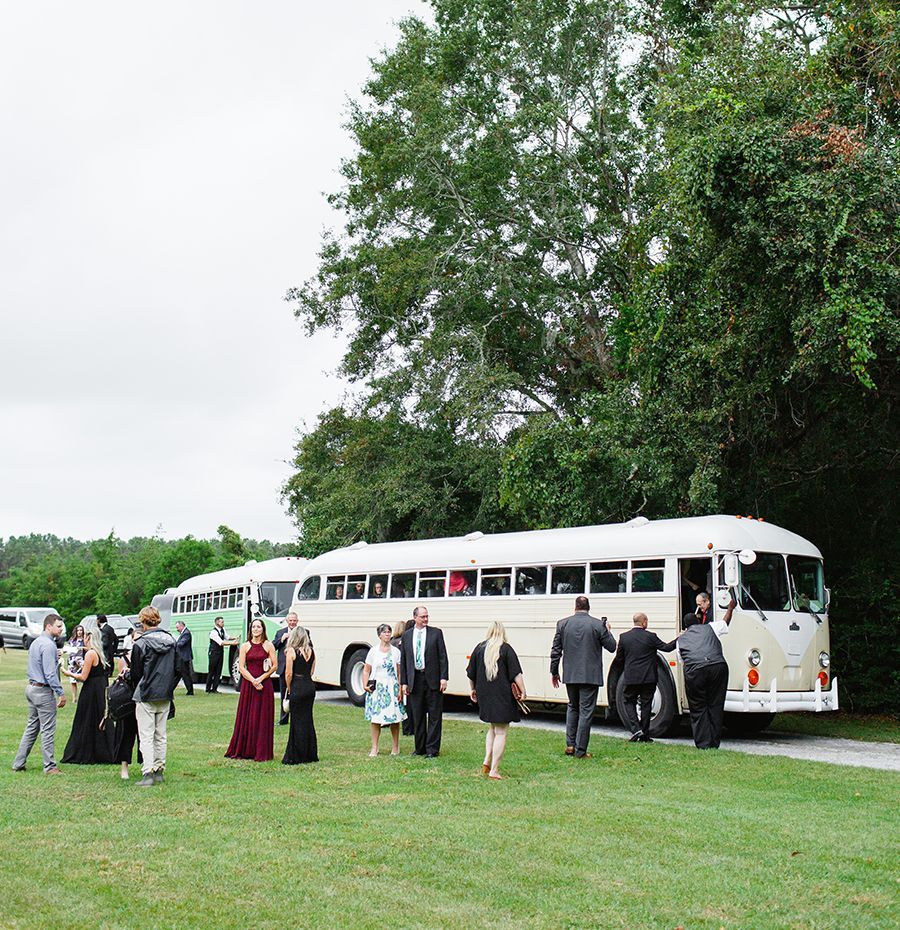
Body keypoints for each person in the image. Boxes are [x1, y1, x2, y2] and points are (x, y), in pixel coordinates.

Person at [550, 596, 617, 758]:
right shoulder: (597, 625)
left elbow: (555, 650)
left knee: (573, 707)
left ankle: (570, 745)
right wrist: (608, 630)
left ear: (575, 607)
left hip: (570, 674)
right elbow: (612, 647)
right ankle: (580, 750)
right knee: (586, 712)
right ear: (589, 607)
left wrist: (554, 671)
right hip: (590, 675)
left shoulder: (563, 624)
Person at [467, 621, 526, 780]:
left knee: (492, 728)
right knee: (501, 732)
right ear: (502, 632)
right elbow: (516, 674)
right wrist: (523, 691)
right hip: (502, 695)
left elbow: (470, 673)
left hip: (485, 694)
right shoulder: (506, 649)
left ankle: (487, 761)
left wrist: (473, 689)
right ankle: (494, 770)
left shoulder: (479, 648)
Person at [678, 596, 737, 749]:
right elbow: (726, 622)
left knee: (698, 708)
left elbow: (683, 661)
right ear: (698, 621)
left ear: (685, 626)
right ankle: (714, 743)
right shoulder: (711, 627)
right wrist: (730, 608)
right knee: (715, 705)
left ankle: (703, 743)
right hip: (718, 666)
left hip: (695, 671)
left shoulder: (681, 640)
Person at [129, 605, 177, 787]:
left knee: (146, 735)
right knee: (161, 734)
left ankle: (148, 772)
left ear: (143, 621)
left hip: (146, 693)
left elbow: (135, 672)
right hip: (165, 693)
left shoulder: (141, 643)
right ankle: (159, 770)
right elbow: (179, 668)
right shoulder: (171, 641)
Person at [12, 613, 67, 774]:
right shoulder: (49, 645)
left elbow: (39, 662)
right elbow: (50, 673)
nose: (61, 629)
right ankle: (49, 766)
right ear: (48, 626)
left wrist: (54, 657)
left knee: (31, 728)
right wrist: (60, 693)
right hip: (43, 691)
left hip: (31, 688)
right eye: (58, 626)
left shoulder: (37, 642)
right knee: (48, 729)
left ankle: (18, 763)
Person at [616, 612, 677, 742]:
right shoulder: (651, 637)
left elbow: (619, 659)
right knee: (646, 705)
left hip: (631, 677)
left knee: (628, 701)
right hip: (649, 677)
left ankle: (636, 728)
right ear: (644, 622)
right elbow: (667, 648)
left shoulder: (624, 637)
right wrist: (680, 638)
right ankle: (645, 734)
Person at [399, 606, 449, 757]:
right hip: (415, 679)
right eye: (423, 617)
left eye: (427, 616)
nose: (426, 619)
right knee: (418, 715)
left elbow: (443, 656)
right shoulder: (407, 636)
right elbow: (405, 660)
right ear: (415, 618)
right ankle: (420, 748)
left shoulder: (436, 633)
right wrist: (404, 682)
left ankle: (432, 749)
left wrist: (443, 677)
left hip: (433, 679)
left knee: (434, 715)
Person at [61, 628, 115, 764]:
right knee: (100, 718)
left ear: (89, 638)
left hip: (90, 691)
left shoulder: (90, 653)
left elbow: (83, 677)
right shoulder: (98, 653)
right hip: (100, 689)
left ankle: (84, 751)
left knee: (85, 719)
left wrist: (68, 673)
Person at [225, 618, 276, 761]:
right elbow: (241, 667)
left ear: (263, 629)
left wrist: (261, 678)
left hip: (264, 685)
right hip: (249, 684)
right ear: (250, 629)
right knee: (248, 717)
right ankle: (245, 749)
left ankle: (261, 751)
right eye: (254, 627)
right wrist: (253, 680)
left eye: (258, 627)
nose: (256, 629)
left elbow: (274, 666)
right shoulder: (245, 646)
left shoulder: (269, 645)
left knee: (262, 717)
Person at [363, 624, 406, 756]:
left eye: (389, 632)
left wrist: (399, 688)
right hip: (377, 686)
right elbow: (366, 670)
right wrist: (365, 684)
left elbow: (399, 672)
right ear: (379, 635)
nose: (387, 634)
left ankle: (395, 746)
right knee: (376, 718)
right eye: (385, 632)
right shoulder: (373, 651)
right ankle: (374, 747)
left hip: (391, 685)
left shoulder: (396, 652)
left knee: (394, 718)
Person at [282, 625, 318, 764]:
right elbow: (312, 671)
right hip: (309, 686)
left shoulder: (291, 651)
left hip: (297, 685)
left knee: (296, 721)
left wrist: (289, 687)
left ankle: (296, 755)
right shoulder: (311, 651)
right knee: (308, 719)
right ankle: (310, 753)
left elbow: (289, 673)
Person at [114, 624, 142, 780]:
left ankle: (146, 763)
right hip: (127, 699)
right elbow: (120, 679)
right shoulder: (124, 658)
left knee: (144, 733)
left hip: (142, 698)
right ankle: (124, 766)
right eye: (135, 639)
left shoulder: (146, 655)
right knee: (126, 733)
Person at [272, 611, 300, 725]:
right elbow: (273, 646)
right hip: (284, 668)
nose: (292, 622)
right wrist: (282, 639)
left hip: (298, 668)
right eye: (290, 620)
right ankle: (283, 719)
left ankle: (296, 719)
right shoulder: (280, 632)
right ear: (287, 621)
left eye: (294, 620)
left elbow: (309, 646)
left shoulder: (303, 632)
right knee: (284, 693)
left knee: (297, 694)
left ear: (297, 621)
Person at [206, 616, 238, 693]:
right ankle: (208, 688)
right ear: (217, 622)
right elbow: (221, 642)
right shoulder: (213, 632)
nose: (223, 623)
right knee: (212, 671)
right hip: (214, 653)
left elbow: (227, 637)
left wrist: (235, 638)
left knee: (218, 671)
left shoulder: (222, 630)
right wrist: (232, 643)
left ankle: (215, 689)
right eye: (222, 622)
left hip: (220, 653)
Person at [64, 624, 86, 704]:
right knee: (73, 680)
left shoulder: (84, 640)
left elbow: (89, 648)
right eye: (78, 630)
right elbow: (68, 648)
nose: (79, 632)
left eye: (81, 630)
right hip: (72, 660)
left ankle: (84, 696)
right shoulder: (72, 640)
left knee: (83, 678)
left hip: (80, 660)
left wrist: (82, 648)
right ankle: (74, 698)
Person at [173, 621, 194, 695]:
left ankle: (190, 691)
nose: (177, 629)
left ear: (182, 626)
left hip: (184, 657)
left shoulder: (186, 633)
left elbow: (181, 644)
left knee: (185, 674)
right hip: (181, 657)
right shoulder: (184, 633)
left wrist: (174, 644)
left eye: (177, 627)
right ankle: (170, 689)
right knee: (179, 674)